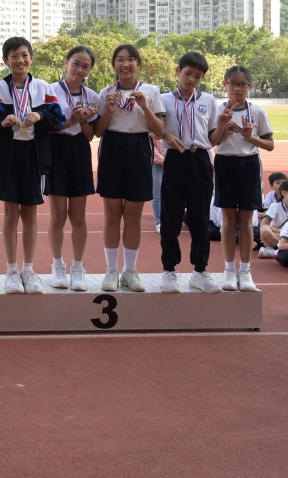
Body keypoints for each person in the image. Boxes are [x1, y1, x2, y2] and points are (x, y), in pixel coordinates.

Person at [0, 37, 65, 295]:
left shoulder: (43, 87)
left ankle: (29, 270)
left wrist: (40, 115)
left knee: (30, 214)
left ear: (31, 58)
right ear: (6, 60)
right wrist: (3, 122)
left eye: (24, 55)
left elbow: (58, 120)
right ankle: (12, 270)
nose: (20, 60)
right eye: (14, 56)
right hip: (9, 157)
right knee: (11, 214)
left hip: (35, 155)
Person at [94, 44, 166, 292]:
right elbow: (98, 132)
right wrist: (108, 110)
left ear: (138, 64)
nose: (125, 64)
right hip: (112, 148)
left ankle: (130, 270)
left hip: (139, 148)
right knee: (112, 214)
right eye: (120, 59)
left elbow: (159, 131)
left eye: (131, 59)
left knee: (134, 215)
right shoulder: (106, 92)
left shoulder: (151, 91)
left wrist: (145, 106)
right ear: (113, 64)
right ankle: (111, 270)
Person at [158, 51, 222, 293]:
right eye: (188, 73)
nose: (192, 79)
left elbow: (212, 137)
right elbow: (153, 128)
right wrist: (166, 135)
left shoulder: (208, 100)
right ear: (178, 71)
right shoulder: (163, 99)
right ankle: (169, 270)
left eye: (198, 76)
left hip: (201, 159)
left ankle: (200, 271)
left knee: (200, 217)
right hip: (175, 158)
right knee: (171, 217)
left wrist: (223, 125)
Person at [213, 65, 273, 292]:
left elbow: (270, 145)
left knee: (246, 222)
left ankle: (245, 271)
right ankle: (229, 270)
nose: (237, 89)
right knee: (228, 221)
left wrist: (251, 138)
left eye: (242, 84)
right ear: (224, 84)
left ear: (250, 86)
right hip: (224, 163)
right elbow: (210, 142)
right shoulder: (217, 109)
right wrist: (222, 127)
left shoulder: (257, 112)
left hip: (249, 165)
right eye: (232, 84)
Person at [44, 45, 100, 291]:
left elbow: (89, 135)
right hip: (55, 149)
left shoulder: (92, 96)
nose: (80, 69)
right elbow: (44, 129)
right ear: (66, 63)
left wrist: (84, 121)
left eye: (86, 66)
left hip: (79, 151)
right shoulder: (50, 91)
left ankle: (78, 267)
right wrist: (71, 121)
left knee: (78, 217)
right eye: (76, 63)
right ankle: (58, 265)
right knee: (58, 216)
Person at [259, 179, 288, 259]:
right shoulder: (275, 206)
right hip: (277, 236)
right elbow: (263, 224)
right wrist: (280, 231)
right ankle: (287, 249)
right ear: (284, 193)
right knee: (264, 230)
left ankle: (273, 252)